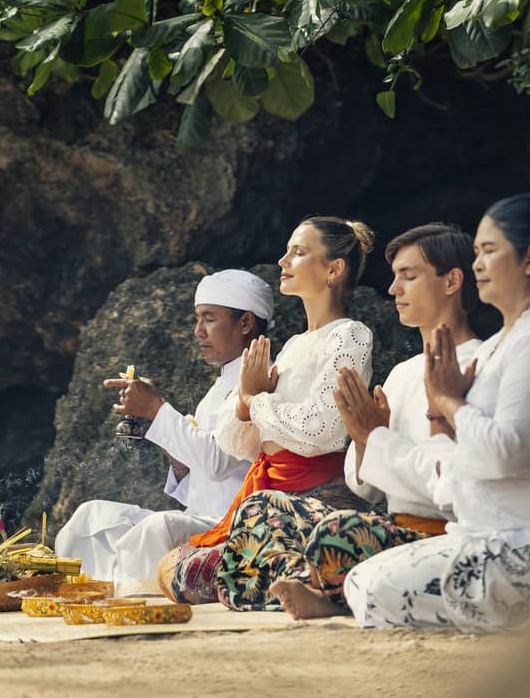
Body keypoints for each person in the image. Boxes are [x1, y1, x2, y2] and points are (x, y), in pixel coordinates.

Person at [343, 191, 530, 632]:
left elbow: (506, 455)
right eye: (477, 252)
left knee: (376, 590)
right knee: (362, 583)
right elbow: (457, 474)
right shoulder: (508, 344)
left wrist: (446, 404)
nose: (478, 265)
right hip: (496, 534)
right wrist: (433, 421)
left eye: (489, 251)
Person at [257, 223, 482, 619]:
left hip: (443, 532)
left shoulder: (483, 364)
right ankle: (323, 585)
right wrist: (364, 441)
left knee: (335, 534)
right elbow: (364, 489)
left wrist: (375, 438)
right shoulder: (401, 374)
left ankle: (327, 592)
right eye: (394, 278)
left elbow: (455, 486)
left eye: (408, 277)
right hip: (389, 524)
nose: (393, 289)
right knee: (264, 511)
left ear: (452, 282)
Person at [156, 217, 376, 606]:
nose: (283, 260)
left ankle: (309, 584)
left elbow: (321, 430)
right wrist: (243, 402)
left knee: (202, 566)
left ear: (333, 269)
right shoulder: (291, 347)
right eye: (288, 250)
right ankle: (297, 577)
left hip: (316, 494)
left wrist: (257, 401)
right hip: (269, 489)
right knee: (173, 567)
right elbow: (238, 443)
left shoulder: (350, 336)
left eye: (299, 251)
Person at [53, 270, 273, 594]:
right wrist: (161, 434)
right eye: (198, 319)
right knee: (92, 517)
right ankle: (91, 591)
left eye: (209, 319)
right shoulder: (218, 389)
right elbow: (196, 483)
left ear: (245, 324)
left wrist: (157, 409)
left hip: (230, 526)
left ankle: (136, 603)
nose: (198, 331)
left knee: (157, 527)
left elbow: (218, 464)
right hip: (198, 515)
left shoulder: (259, 380)